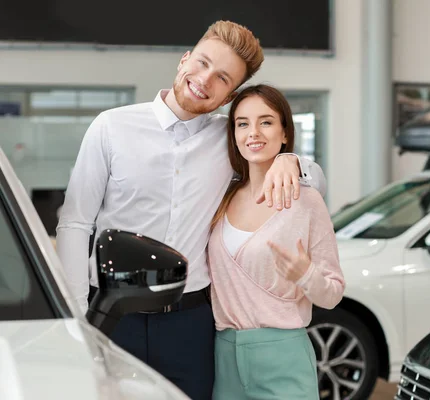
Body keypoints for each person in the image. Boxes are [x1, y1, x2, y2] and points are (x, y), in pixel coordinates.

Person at [56, 21, 326, 399]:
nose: (204, 80)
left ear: (230, 95)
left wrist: (290, 160)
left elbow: (315, 182)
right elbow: (74, 221)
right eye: (201, 63)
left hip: (192, 323)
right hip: (113, 314)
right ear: (185, 60)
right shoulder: (111, 127)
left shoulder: (230, 140)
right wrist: (74, 311)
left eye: (222, 78)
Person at [207, 84, 345, 400]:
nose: (253, 132)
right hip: (223, 358)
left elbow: (333, 293)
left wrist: (306, 275)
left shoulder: (306, 202)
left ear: (285, 133)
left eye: (266, 121)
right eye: (242, 123)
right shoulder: (220, 197)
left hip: (284, 358)